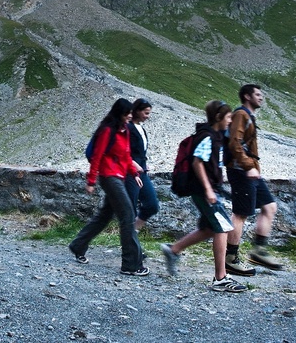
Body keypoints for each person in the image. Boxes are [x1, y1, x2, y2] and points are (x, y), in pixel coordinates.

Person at [160, 100, 246, 292]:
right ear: (218, 117)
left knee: (209, 229)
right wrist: (208, 190)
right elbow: (198, 163)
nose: (231, 120)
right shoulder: (207, 137)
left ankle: (173, 250)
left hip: (208, 190)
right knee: (223, 227)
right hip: (204, 191)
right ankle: (220, 278)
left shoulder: (214, 135)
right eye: (228, 117)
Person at [69, 98, 148, 276]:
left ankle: (78, 245)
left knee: (104, 215)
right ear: (120, 113)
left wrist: (134, 174)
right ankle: (130, 265)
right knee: (127, 215)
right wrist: (91, 181)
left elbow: (127, 156)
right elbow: (97, 156)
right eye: (127, 113)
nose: (130, 116)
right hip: (109, 177)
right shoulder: (107, 130)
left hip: (120, 176)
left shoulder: (124, 130)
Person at [225, 84, 284, 274]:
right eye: (258, 94)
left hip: (251, 170)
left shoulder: (248, 116)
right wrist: (249, 166)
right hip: (241, 170)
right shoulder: (241, 115)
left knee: (269, 207)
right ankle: (230, 259)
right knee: (241, 214)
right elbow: (234, 143)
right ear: (247, 96)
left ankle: (258, 251)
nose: (261, 98)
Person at [126, 98, 160, 231]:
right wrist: (134, 163)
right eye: (146, 113)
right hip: (129, 172)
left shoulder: (140, 128)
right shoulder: (127, 127)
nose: (148, 116)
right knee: (130, 208)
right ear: (137, 111)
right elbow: (122, 151)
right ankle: (131, 245)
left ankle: (134, 230)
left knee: (152, 205)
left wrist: (143, 163)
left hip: (142, 171)